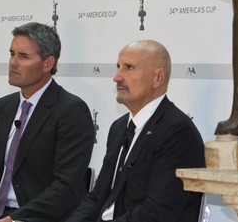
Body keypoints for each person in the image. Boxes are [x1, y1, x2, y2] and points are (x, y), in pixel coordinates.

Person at [0, 22, 95, 222]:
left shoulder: (71, 111)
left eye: (23, 56)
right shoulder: (0, 108)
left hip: (34, 217)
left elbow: (65, 187)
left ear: (47, 64)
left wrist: (14, 220)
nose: (13, 63)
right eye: (11, 54)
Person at [66, 40, 206, 222]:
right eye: (118, 67)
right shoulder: (118, 127)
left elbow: (157, 212)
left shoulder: (178, 132)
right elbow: (98, 195)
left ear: (158, 78)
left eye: (129, 67)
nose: (117, 77)